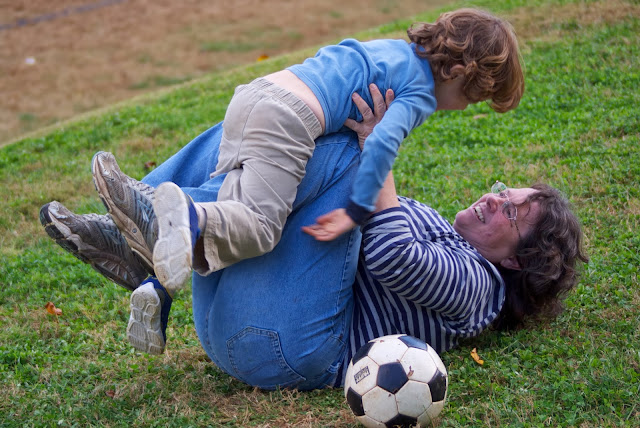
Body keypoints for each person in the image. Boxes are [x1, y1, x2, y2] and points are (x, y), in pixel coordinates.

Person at [40, 85, 587, 390]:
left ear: (517, 262)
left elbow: (391, 255)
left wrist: (378, 149)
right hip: (235, 320)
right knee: (262, 129)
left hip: (289, 347)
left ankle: (163, 228)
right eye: (504, 191)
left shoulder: (480, 290)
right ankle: (137, 238)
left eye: (512, 213)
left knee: (346, 148)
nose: (494, 199)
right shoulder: (446, 233)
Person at [90, 8, 525, 306]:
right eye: (472, 99)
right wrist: (353, 213)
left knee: (229, 198)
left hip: (257, 94)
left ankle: (126, 245)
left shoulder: (391, 51)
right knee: (258, 226)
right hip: (290, 119)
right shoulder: (420, 92)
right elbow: (378, 147)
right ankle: (178, 215)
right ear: (459, 73)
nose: (462, 109)